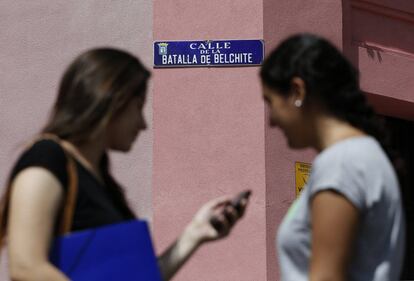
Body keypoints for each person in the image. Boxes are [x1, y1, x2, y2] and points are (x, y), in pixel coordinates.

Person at [0, 48, 250, 281]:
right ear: (112, 101)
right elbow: (26, 267)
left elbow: (134, 277)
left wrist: (195, 234)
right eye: (139, 107)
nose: (143, 124)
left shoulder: (100, 178)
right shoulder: (47, 158)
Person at [260, 34, 405, 281]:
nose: (271, 120)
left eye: (270, 102)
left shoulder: (342, 163)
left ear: (297, 91)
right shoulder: (358, 156)